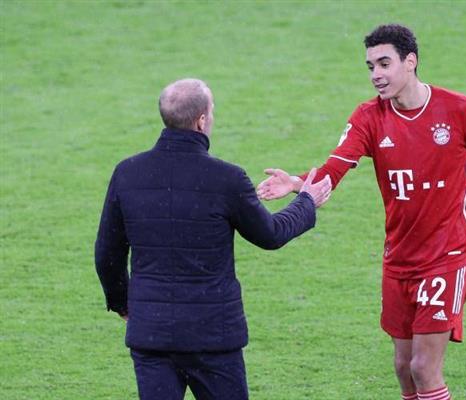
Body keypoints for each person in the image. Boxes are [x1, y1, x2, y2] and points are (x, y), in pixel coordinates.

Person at [257, 24, 466, 400]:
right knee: (403, 367)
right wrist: (298, 183)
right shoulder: (369, 117)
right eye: (370, 67)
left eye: (384, 64)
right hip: (399, 258)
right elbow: (335, 169)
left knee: (423, 368)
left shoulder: (459, 109)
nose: (376, 75)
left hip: (447, 256)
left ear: (410, 62)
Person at [95, 78, 331, 400]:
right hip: (213, 336)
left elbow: (107, 253)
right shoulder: (227, 178)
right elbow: (270, 234)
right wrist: (306, 201)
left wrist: (123, 304)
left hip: (152, 334)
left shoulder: (127, 173)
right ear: (201, 120)